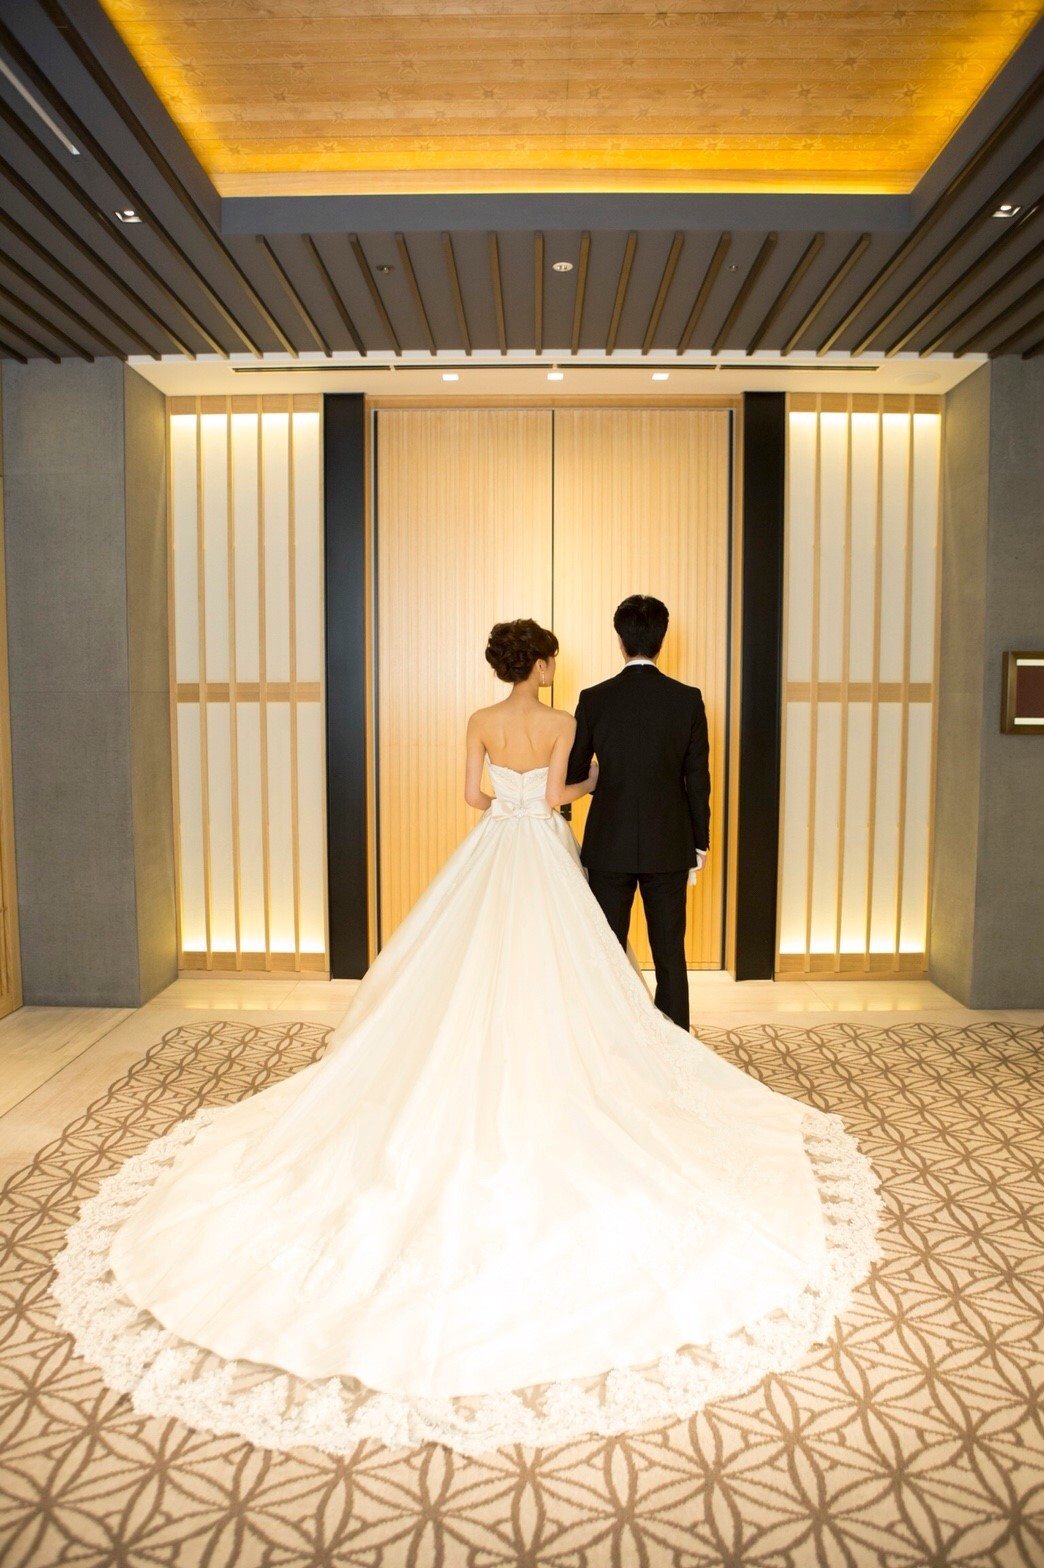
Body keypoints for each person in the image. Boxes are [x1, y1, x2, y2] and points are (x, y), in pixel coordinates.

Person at [53, 618, 879, 1458]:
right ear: (541, 663)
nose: (554, 667)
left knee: (465, 964)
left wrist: (513, 797)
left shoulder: (482, 721)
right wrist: (586, 783)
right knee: (573, 969)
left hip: (492, 851)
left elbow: (474, 798)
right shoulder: (562, 722)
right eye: (550, 658)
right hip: (544, 854)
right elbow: (556, 798)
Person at [566, 595, 708, 1032]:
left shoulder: (594, 699)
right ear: (661, 640)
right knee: (670, 954)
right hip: (670, 842)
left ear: (620, 639)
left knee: (606, 952)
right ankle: (676, 1044)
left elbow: (574, 770)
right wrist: (699, 842)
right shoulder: (687, 699)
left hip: (609, 844)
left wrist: (603, 780)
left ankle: (610, 1040)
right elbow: (697, 778)